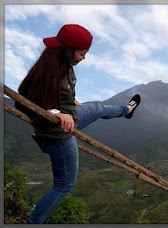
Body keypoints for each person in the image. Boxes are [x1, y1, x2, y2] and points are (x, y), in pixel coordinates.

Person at [15, 24, 141, 224]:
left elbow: (56, 95)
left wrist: (70, 103)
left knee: (97, 107)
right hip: (59, 134)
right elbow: (21, 103)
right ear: (68, 51)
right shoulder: (48, 74)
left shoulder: (61, 67)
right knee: (64, 185)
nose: (84, 58)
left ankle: (126, 111)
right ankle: (32, 223)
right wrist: (54, 113)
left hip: (69, 118)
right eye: (82, 53)